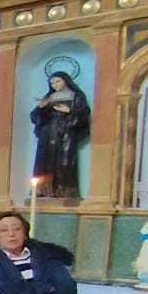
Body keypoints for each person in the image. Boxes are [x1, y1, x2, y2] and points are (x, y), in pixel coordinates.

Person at [30, 70, 91, 198]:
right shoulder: (49, 97)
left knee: (65, 162)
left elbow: (83, 115)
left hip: (65, 133)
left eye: (58, 81)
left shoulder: (76, 96)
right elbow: (35, 117)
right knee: (45, 162)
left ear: (66, 81)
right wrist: (41, 107)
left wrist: (68, 110)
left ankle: (63, 191)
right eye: (52, 83)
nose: (55, 85)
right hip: (47, 133)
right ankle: (44, 190)